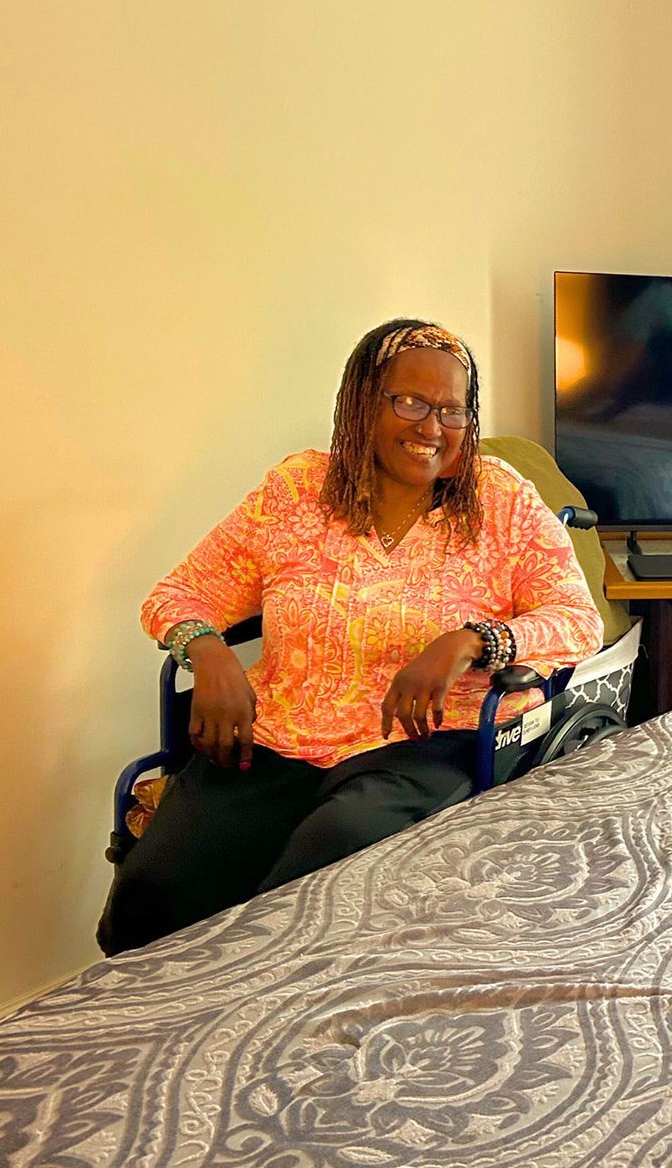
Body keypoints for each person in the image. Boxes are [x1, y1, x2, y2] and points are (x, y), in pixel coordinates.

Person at [99, 319, 604, 954]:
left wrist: (472, 641)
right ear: (363, 402)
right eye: (410, 402)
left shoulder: (500, 497)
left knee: (324, 871)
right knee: (155, 890)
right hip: (280, 732)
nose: (431, 428)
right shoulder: (296, 492)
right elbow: (177, 595)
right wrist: (210, 652)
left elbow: (575, 617)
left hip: (426, 741)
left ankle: (272, 1023)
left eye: (452, 410)